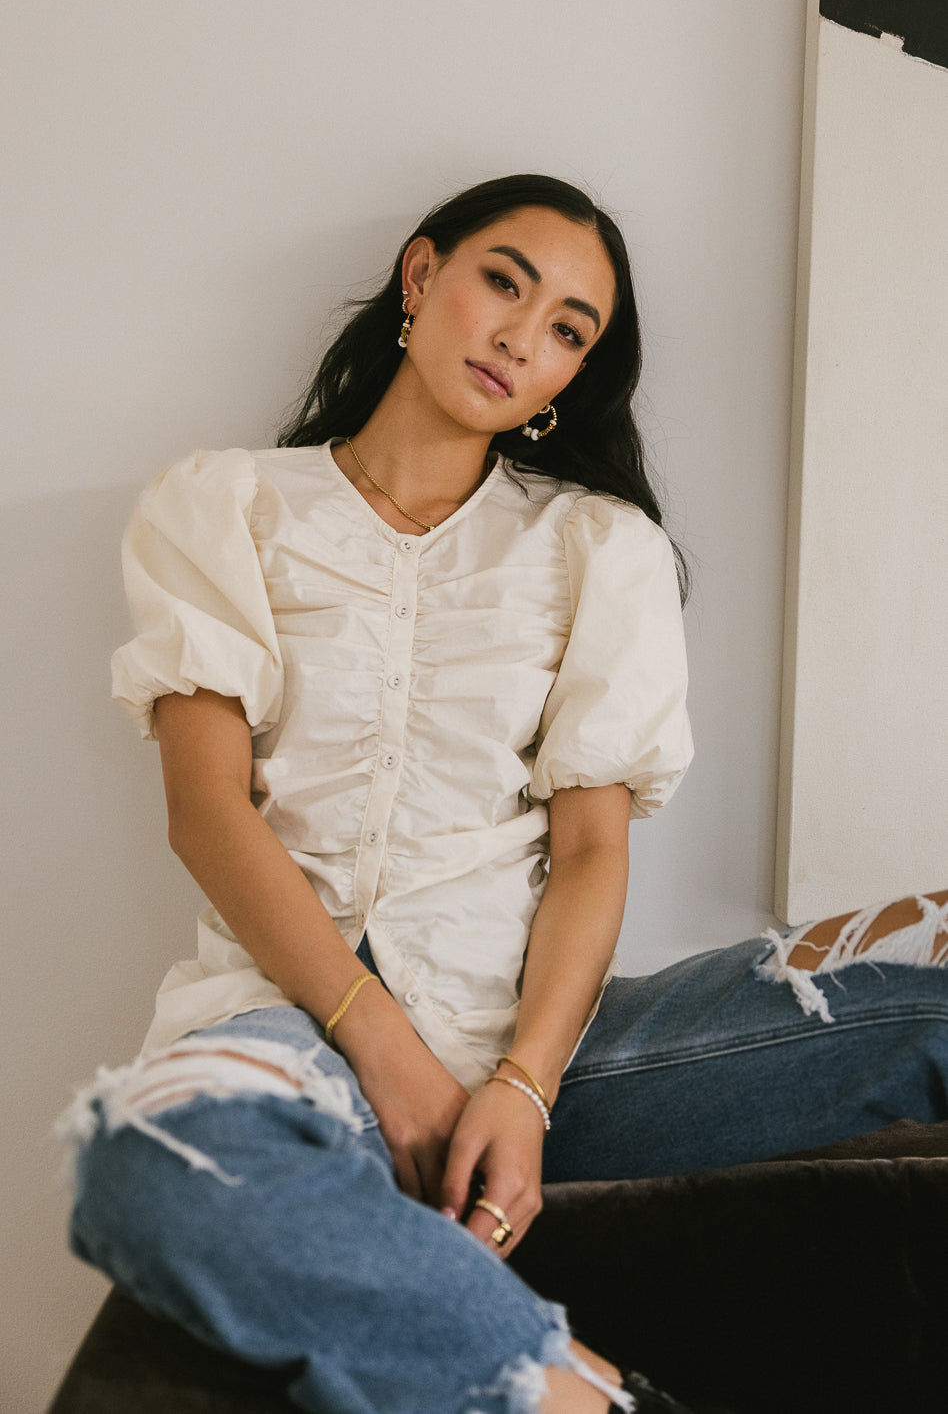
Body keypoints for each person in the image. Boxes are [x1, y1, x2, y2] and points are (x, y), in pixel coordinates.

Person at [60, 174, 948, 1414]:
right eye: (505, 282)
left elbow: (591, 853)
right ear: (423, 276)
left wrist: (522, 1087)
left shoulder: (596, 546)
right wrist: (390, 1055)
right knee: (145, 1156)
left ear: (571, 377)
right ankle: (578, 1391)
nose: (524, 336)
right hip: (293, 1032)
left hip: (550, 1053)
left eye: (569, 329)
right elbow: (206, 810)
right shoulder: (226, 505)